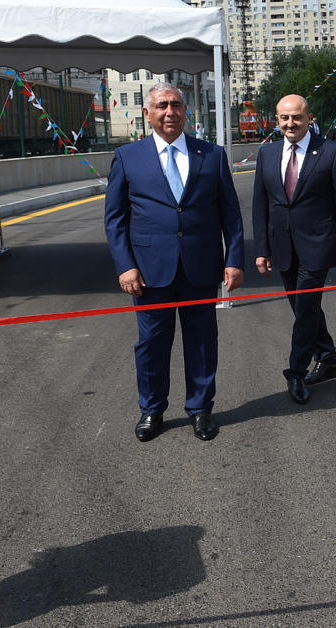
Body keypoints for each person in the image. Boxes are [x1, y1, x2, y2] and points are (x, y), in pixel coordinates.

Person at [104, 83, 245, 443]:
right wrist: (125, 266)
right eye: (162, 105)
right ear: (147, 113)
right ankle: (152, 409)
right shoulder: (127, 157)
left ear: (186, 111)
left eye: (176, 105)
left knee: (202, 342)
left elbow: (230, 214)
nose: (170, 112)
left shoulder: (211, 155)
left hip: (201, 267)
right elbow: (115, 219)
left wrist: (234, 259)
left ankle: (200, 409)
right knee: (151, 344)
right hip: (149, 272)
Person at [252, 95, 336, 403]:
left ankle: (296, 372)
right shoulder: (267, 153)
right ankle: (328, 356)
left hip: (318, 245)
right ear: (277, 120)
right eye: (284, 118)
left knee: (305, 308)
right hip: (282, 246)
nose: (291, 124)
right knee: (303, 308)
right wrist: (261, 249)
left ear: (309, 118)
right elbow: (260, 205)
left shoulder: (331, 152)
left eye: (297, 117)